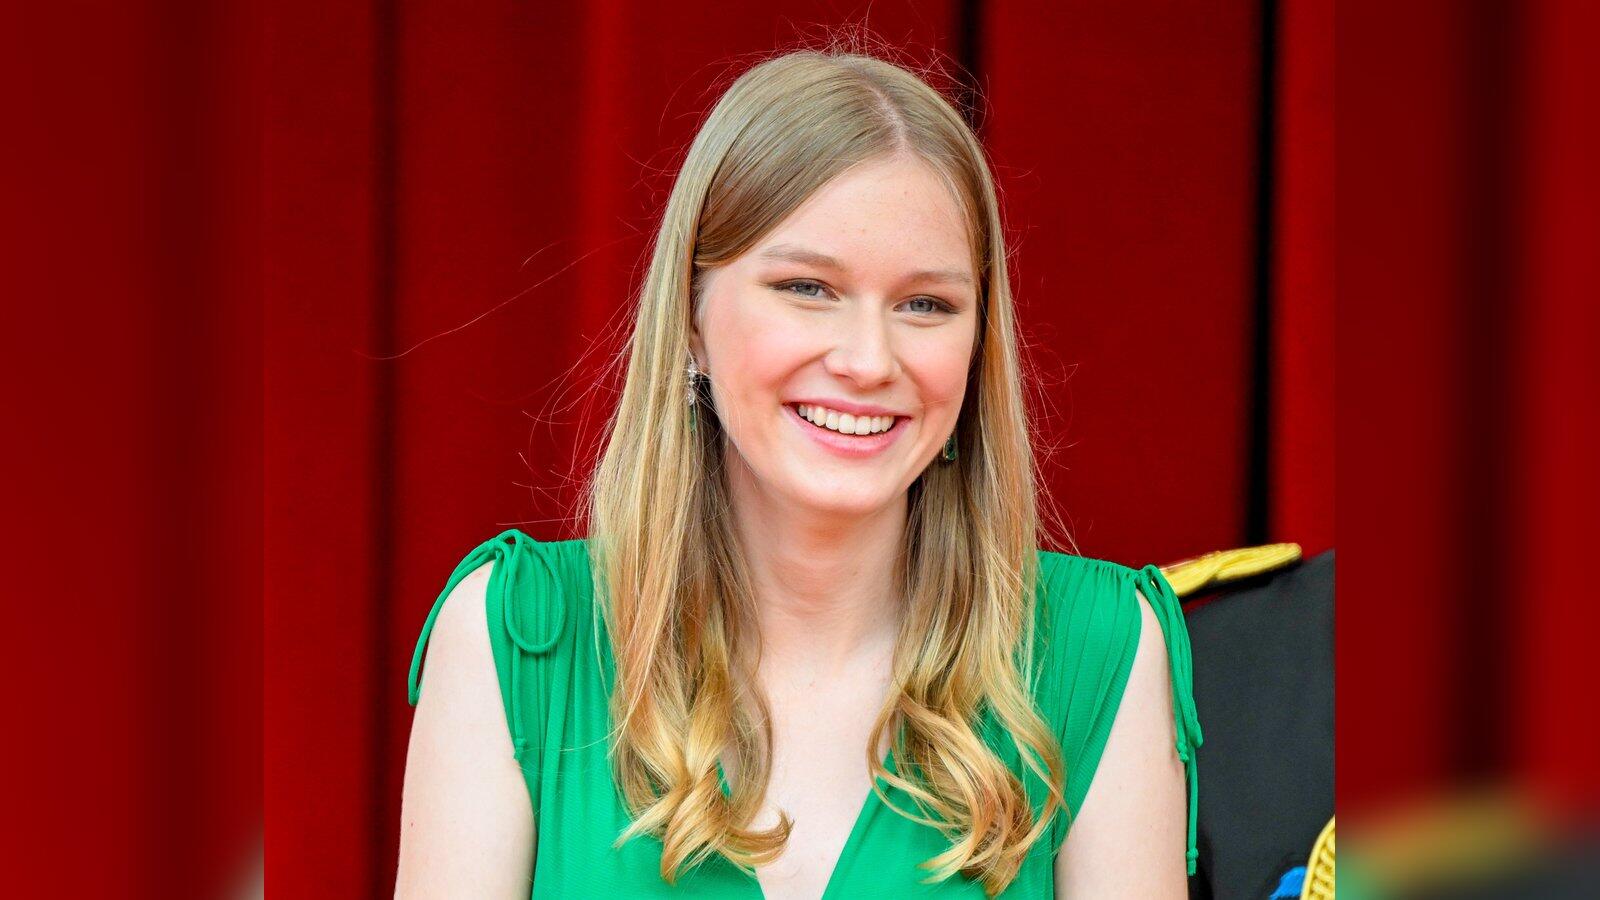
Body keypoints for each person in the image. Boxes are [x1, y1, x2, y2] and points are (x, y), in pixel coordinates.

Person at [396, 49, 1201, 899]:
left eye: (925, 304)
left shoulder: (1099, 648)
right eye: (808, 288)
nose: (868, 360)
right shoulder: (517, 637)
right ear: (691, 319)